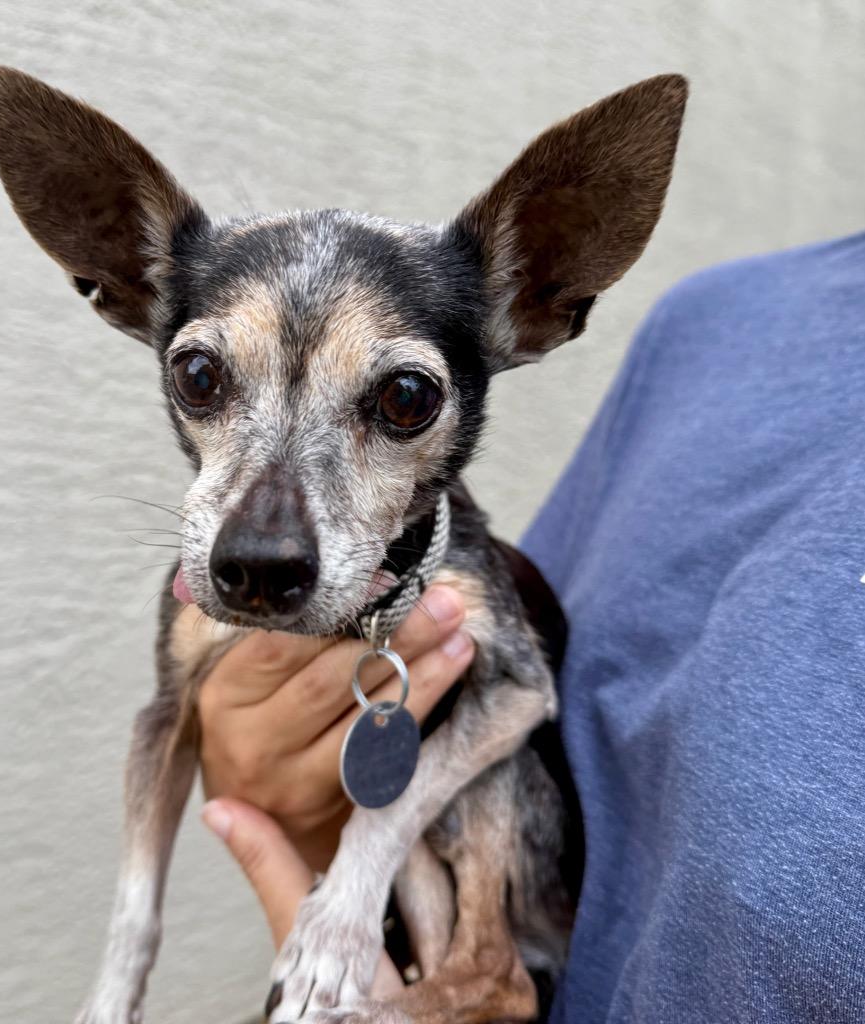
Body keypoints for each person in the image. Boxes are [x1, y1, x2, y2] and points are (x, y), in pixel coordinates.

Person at [198, 233, 865, 1023]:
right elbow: (507, 694)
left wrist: (361, 864)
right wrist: (312, 815)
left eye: (402, 400)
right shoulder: (710, 320)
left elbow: (522, 694)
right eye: (203, 380)